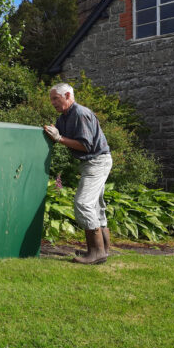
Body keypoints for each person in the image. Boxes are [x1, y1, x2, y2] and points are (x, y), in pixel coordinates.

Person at [43, 83, 112, 265]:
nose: (52, 103)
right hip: (91, 163)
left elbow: (85, 145)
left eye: (55, 99)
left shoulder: (80, 114)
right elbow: (58, 135)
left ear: (67, 95)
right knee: (96, 206)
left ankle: (96, 252)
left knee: (83, 203)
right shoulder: (64, 117)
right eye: (51, 99)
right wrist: (54, 134)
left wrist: (59, 138)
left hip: (97, 162)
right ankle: (103, 249)